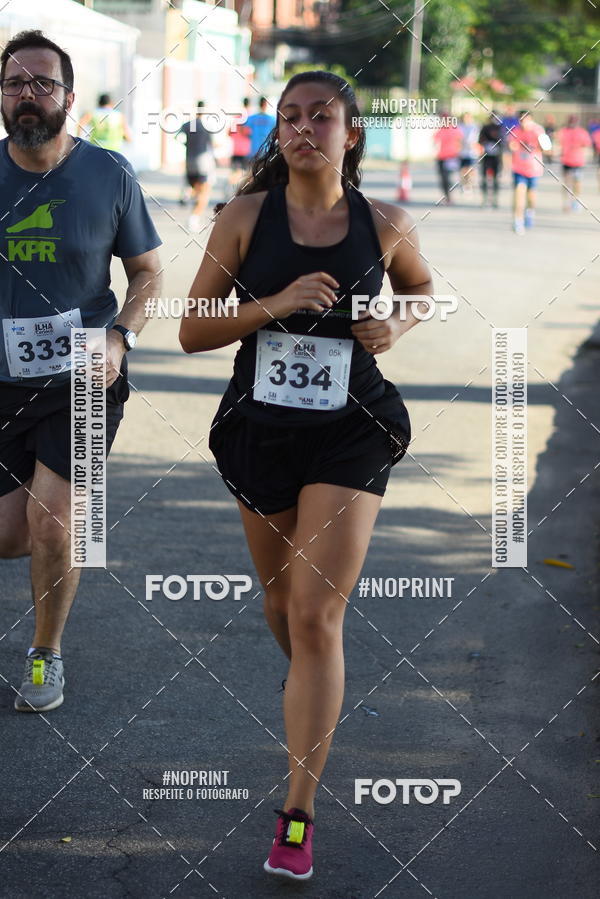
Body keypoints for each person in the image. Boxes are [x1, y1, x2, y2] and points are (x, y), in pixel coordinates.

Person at [179, 69, 432, 882]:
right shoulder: (244, 217)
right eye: (289, 116)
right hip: (263, 433)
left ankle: (297, 812)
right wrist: (274, 300)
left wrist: (397, 320)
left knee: (320, 614)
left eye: (321, 116)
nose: (303, 127)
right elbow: (192, 328)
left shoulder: (383, 219)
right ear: (276, 131)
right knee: (285, 603)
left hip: (351, 432)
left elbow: (423, 290)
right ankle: (312, 690)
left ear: (349, 133)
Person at [0, 30, 162, 712]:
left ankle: (45, 652)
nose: (27, 94)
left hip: (83, 377)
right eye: (14, 84)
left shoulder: (109, 173)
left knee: (53, 523)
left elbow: (149, 272)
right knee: (11, 534)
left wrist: (122, 335)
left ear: (68, 96)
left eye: (42, 82)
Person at [509, 109, 551, 234]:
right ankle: (518, 221)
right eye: (521, 120)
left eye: (526, 119)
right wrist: (513, 147)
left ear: (531, 119)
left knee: (531, 197)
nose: (523, 122)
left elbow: (547, 149)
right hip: (519, 168)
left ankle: (530, 212)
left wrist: (541, 145)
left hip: (534, 169)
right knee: (519, 193)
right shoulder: (515, 132)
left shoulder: (538, 131)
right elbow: (512, 145)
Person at [177, 100, 215, 232]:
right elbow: (212, 144)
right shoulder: (206, 126)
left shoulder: (187, 125)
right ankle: (193, 219)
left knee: (196, 188)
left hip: (190, 161)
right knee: (205, 192)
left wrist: (187, 145)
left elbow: (177, 137)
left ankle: (188, 193)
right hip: (203, 163)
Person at [556, 115, 591, 212]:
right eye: (571, 121)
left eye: (574, 121)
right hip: (566, 161)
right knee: (567, 183)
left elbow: (587, 145)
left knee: (577, 182)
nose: (572, 123)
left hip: (578, 162)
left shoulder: (582, 132)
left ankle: (576, 200)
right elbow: (558, 143)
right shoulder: (563, 131)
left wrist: (584, 156)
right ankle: (566, 202)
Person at [433, 114, 462, 203]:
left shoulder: (454, 129)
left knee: (447, 178)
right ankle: (447, 196)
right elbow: (435, 142)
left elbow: (459, 141)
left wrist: (457, 153)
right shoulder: (441, 129)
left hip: (450, 157)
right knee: (444, 178)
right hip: (442, 157)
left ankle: (449, 196)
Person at [478, 111, 503, 207]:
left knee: (496, 179)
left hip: (496, 156)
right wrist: (486, 144)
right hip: (486, 156)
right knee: (484, 178)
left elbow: (503, 141)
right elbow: (480, 140)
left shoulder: (500, 128)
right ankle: (484, 199)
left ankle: (495, 199)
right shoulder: (485, 127)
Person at [228, 96, 251, 189]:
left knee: (236, 172)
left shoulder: (236, 117)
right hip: (246, 150)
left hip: (235, 150)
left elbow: (229, 132)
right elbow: (250, 133)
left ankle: (230, 187)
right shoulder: (251, 117)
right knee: (245, 173)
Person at [246, 96, 276, 160]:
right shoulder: (272, 119)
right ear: (266, 104)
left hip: (254, 150)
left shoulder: (252, 118)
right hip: (266, 150)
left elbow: (243, 129)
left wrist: (250, 137)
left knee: (254, 169)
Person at [458, 111, 479, 191]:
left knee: (471, 169)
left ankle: (470, 183)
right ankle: (464, 183)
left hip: (472, 152)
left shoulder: (474, 127)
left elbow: (476, 138)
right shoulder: (460, 127)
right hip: (463, 152)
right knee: (463, 169)